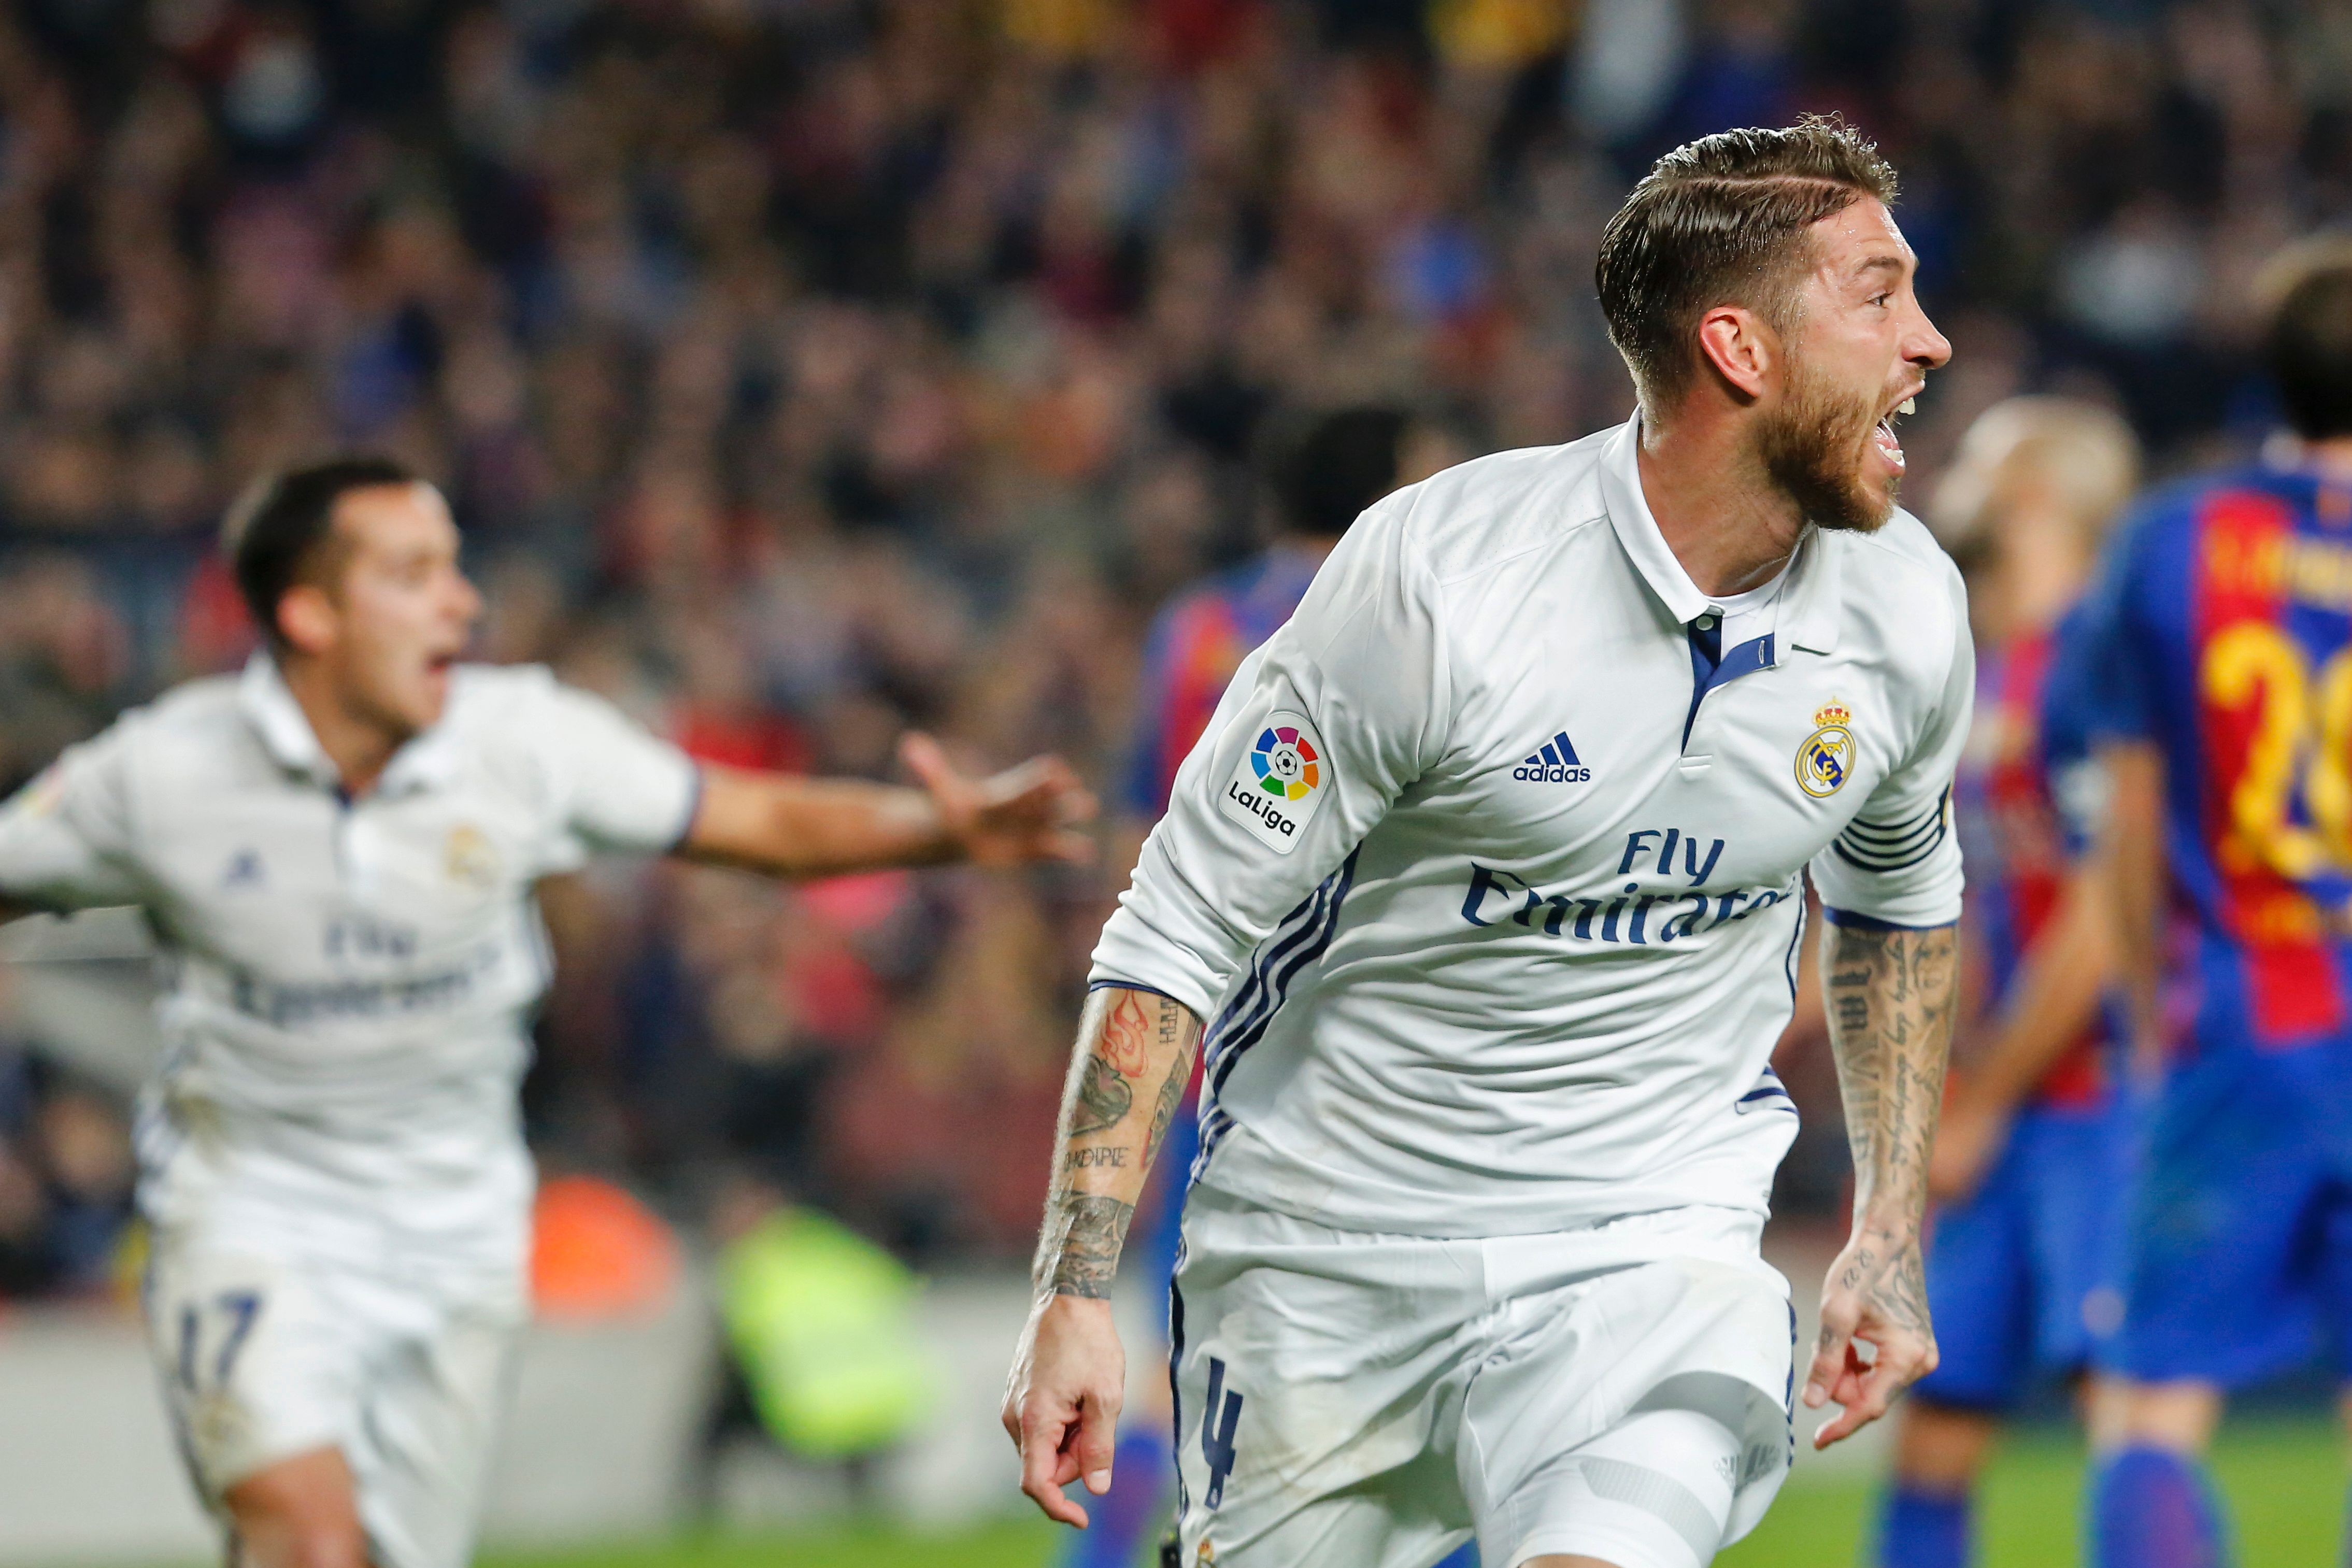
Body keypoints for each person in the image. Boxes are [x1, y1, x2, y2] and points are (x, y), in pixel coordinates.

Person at [1005, 116, 1969, 1568]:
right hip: (1328, 1249)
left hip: (1646, 1244)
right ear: (1739, 350)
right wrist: (1076, 1283)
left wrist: (1885, 1228)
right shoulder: (1440, 581)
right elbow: (1178, 920)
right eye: (1877, 294)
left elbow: (1897, 912)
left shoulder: (1901, 612)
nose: (1929, 343)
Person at [0, 457, 1094, 1568]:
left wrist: (937, 830)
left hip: (451, 1236)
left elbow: (751, 819)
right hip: (253, 1213)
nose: (460, 603)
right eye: (414, 573)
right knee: (310, 1542)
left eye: (454, 570)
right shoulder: (165, 774)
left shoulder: (519, 742)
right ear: (310, 612)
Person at [1072, 404, 1463, 1568]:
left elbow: (1143, 829)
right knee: (1434, 1370)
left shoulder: (1189, 628)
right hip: (1381, 1035)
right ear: (1383, 490)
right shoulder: (1399, 612)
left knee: (1185, 1358)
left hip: (1216, 1036)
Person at [2085, 239, 2352, 1567]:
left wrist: (2147, 1011)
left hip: (2240, 1013)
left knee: (2150, 1402)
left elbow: (2129, 814)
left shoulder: (2171, 540)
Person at [1865, 397, 2141, 1568]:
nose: (1955, 480)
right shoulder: (1989, 670)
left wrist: (1977, 1096)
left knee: (2129, 1415)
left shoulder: (2097, 663)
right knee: (1933, 1428)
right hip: (2010, 1105)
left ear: (2031, 495)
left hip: (2108, 1104)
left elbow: (2102, 921)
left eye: (1981, 463)